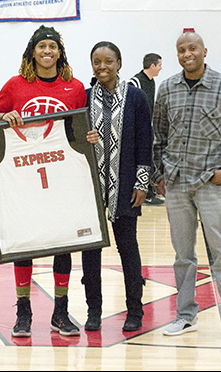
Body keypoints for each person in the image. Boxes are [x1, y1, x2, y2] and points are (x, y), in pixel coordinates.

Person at [0, 25, 86, 337]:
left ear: (59, 52)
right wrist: (4, 117)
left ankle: (60, 311)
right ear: (33, 52)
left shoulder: (75, 86)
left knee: (62, 244)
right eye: (41, 47)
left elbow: (79, 131)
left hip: (61, 177)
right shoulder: (16, 85)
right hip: (25, 176)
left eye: (52, 47)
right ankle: (24, 311)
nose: (47, 52)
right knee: (24, 245)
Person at [153, 31, 221, 341]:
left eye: (192, 48)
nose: (187, 54)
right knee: (183, 256)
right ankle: (186, 315)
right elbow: (158, 137)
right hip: (177, 185)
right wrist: (159, 175)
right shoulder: (167, 88)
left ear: (204, 51)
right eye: (181, 50)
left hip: (211, 184)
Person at [81, 42, 152, 332]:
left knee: (128, 249)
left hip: (125, 187)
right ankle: (93, 310)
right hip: (90, 189)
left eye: (108, 61)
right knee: (91, 252)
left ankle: (135, 310)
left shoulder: (136, 97)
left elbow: (145, 141)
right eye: (96, 62)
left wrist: (142, 182)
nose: (102, 67)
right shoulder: (83, 98)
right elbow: (72, 139)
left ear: (119, 63)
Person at [128, 53, 164, 205]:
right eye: (160, 65)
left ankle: (149, 191)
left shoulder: (152, 82)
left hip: (146, 129)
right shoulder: (134, 81)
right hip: (134, 130)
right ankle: (143, 192)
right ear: (152, 66)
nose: (161, 68)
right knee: (139, 160)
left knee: (148, 159)